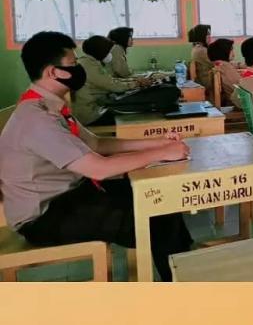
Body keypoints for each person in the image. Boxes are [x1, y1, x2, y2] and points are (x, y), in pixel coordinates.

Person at [0, 31, 192, 280]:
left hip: (72, 194)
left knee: (159, 196)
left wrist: (158, 143)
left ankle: (183, 268)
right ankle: (178, 284)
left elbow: (98, 143)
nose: (79, 69)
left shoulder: (50, 106)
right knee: (155, 216)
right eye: (73, 64)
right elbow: (98, 168)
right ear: (52, 72)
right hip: (44, 217)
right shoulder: (36, 118)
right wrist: (161, 153)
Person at [73, 35, 142, 126]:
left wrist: (135, 82)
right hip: (89, 115)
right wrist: (135, 84)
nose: (109, 54)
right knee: (132, 115)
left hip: (95, 108)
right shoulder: (88, 65)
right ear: (101, 51)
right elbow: (112, 85)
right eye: (108, 51)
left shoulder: (90, 62)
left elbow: (110, 80)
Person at [207, 38, 239, 107]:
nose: (233, 53)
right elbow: (240, 88)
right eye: (231, 49)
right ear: (224, 51)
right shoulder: (227, 69)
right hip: (235, 104)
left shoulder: (219, 65)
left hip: (227, 101)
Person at [188, 24, 213, 95]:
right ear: (201, 36)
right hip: (207, 81)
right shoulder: (201, 50)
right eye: (208, 35)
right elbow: (217, 62)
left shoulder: (198, 48)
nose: (210, 37)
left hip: (207, 79)